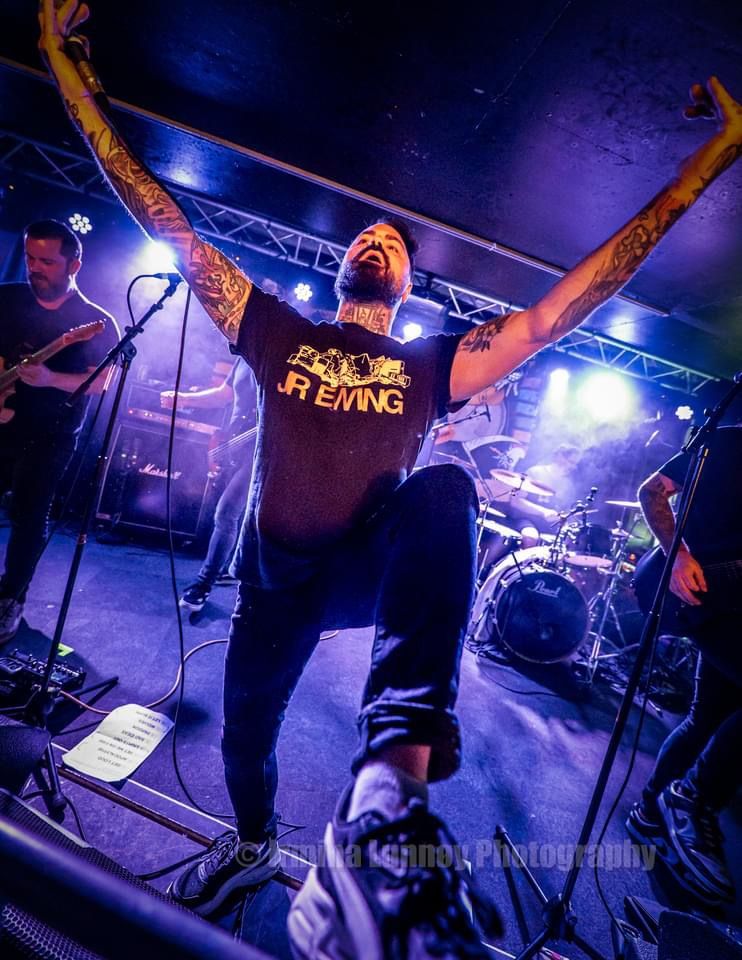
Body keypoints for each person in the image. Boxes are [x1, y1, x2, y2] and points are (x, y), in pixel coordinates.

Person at [39, 4, 742, 952]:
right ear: (341, 268)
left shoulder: (429, 365)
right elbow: (165, 216)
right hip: (276, 586)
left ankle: (388, 804)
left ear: (408, 283)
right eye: (363, 238)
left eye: (394, 244)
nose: (376, 242)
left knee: (446, 487)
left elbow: (557, 313)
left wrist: (703, 167)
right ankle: (254, 842)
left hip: (366, 569)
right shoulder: (277, 328)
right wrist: (67, 73)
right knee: (244, 741)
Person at [626, 423, 742, 906]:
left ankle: (649, 812)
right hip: (696, 594)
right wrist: (677, 556)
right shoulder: (728, 440)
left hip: (734, 607)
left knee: (706, 717)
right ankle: (693, 796)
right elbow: (652, 491)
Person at [0, 219, 118, 643]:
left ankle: (10, 600)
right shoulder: (7, 298)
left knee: (29, 517)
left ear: (74, 265)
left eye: (47, 262)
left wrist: (50, 379)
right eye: (30, 258)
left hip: (51, 434)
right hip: (3, 421)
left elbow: (100, 381)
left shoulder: (94, 321)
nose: (35, 268)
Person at [161, 357, 257, 612]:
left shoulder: (282, 357)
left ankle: (202, 585)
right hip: (236, 445)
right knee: (231, 516)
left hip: (261, 452)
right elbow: (223, 394)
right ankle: (229, 569)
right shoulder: (244, 359)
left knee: (227, 512)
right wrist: (184, 398)